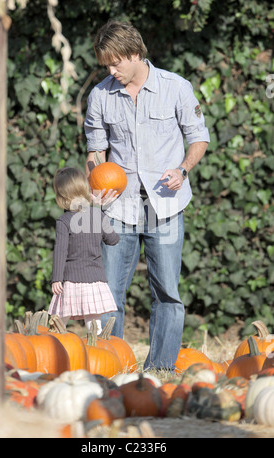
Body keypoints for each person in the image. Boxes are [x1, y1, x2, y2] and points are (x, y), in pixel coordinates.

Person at [84, 21, 210, 370]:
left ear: (136, 53)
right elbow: (96, 150)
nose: (111, 71)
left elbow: (199, 137)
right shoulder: (100, 96)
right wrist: (96, 175)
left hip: (165, 205)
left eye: (116, 63)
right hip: (118, 207)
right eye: (106, 65)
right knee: (107, 291)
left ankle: (160, 370)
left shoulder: (176, 88)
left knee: (167, 292)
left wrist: (183, 169)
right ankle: (111, 365)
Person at [48, 166, 120, 334]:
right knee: (94, 325)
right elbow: (113, 240)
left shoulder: (64, 221)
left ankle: (55, 350)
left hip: (71, 280)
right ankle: (98, 353)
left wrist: (56, 278)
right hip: (95, 280)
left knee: (59, 322)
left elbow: (60, 251)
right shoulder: (98, 216)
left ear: (62, 197)